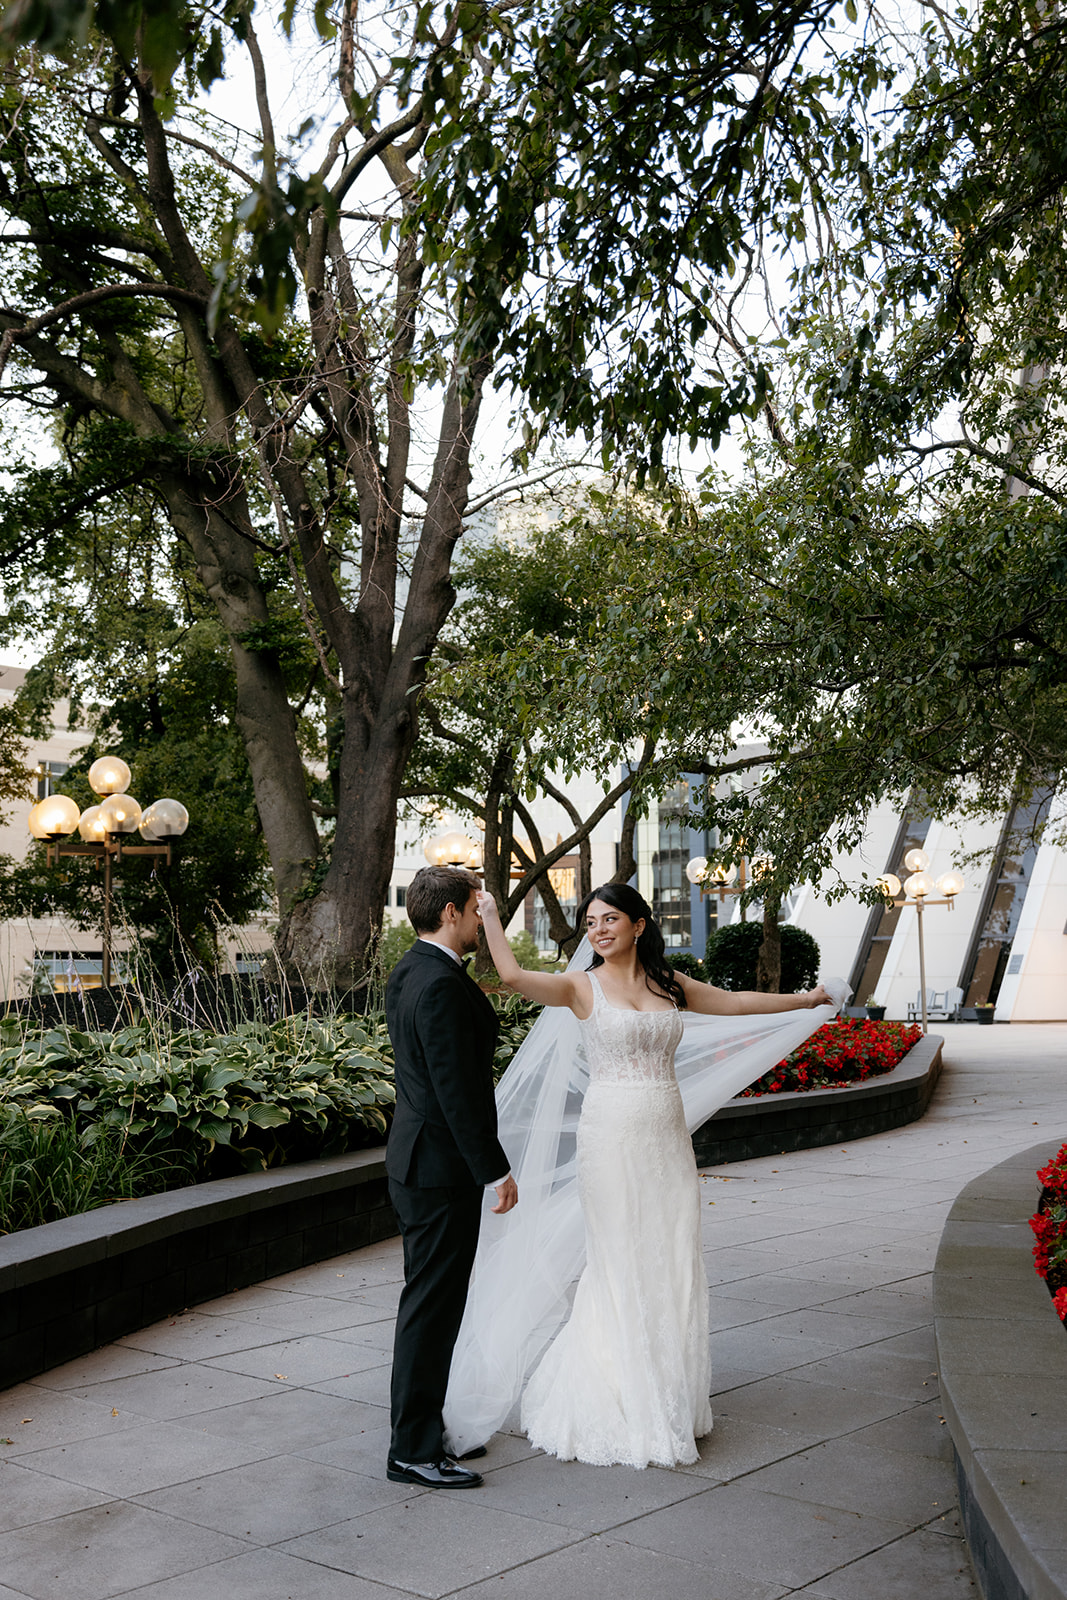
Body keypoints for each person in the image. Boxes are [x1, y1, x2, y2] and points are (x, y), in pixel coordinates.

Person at [446, 881, 838, 1470]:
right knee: (620, 1259)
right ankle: (619, 1395)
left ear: (638, 925)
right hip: (610, 1138)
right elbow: (516, 978)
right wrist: (495, 918)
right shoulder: (581, 987)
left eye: (609, 919)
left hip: (666, 1137)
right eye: (590, 921)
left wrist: (806, 1001)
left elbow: (732, 1004)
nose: (598, 929)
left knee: (671, 1254)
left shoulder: (668, 985)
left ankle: (668, 1392)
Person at [384, 865, 518, 1489]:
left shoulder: (411, 968)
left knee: (431, 1304)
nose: (476, 916)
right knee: (432, 1310)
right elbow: (455, 1090)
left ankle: (423, 1432)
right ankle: (412, 1450)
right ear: (450, 915)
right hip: (437, 1170)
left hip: (419, 1161)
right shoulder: (436, 983)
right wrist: (493, 1170)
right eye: (473, 908)